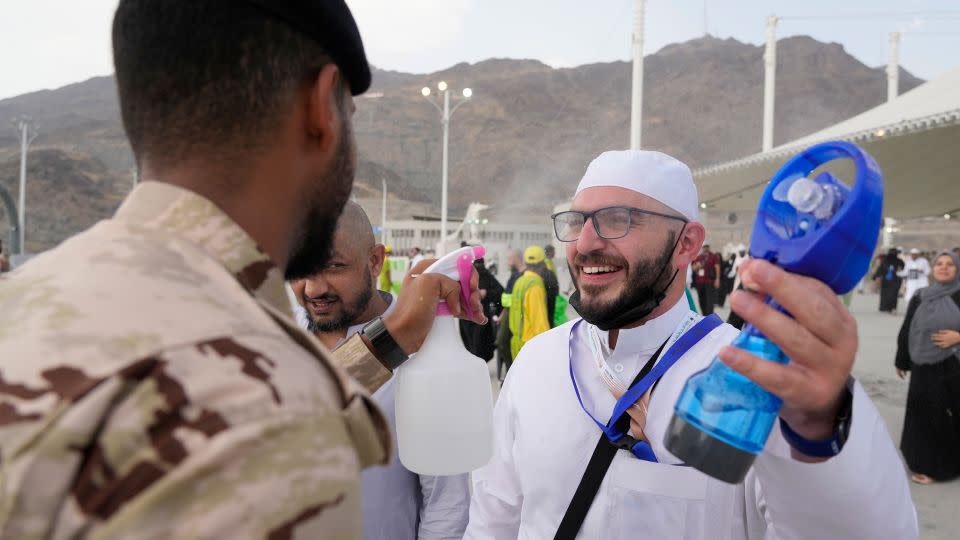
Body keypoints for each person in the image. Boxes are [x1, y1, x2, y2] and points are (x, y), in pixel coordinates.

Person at [0, 2, 486, 537]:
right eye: (352, 116)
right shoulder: (267, 397)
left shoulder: (23, 304)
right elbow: (260, 402)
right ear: (322, 109)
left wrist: (389, 340)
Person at [465, 150, 916, 539]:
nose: (585, 244)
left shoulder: (752, 377)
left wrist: (819, 427)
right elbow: (493, 514)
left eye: (617, 220)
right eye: (577, 221)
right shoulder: (538, 361)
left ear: (687, 244)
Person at [290, 202, 470, 539]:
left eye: (334, 266)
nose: (314, 289)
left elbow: (446, 504)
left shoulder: (427, 357)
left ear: (375, 261)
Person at [895, 251, 960, 485]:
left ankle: (941, 468)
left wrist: (958, 337)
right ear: (932, 268)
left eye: (950, 264)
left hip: (953, 365)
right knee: (923, 413)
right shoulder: (921, 296)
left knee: (947, 415)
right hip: (923, 366)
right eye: (939, 264)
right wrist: (901, 360)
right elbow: (908, 327)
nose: (944, 268)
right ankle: (922, 461)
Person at [460, 254, 505, 362]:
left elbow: (500, 292)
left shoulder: (487, 276)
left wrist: (486, 293)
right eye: (476, 265)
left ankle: (478, 366)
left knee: (479, 344)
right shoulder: (464, 277)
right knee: (470, 344)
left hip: (481, 316)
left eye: (480, 265)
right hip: (467, 317)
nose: (478, 267)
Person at [509, 246, 551, 358]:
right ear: (542, 264)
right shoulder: (535, 285)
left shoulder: (520, 281)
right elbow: (539, 322)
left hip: (517, 342)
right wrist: (548, 346)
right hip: (531, 347)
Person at [496, 249, 524, 379]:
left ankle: (512, 370)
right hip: (508, 312)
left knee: (502, 341)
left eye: (509, 259)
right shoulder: (514, 274)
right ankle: (510, 369)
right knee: (502, 342)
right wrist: (502, 315)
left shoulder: (523, 275)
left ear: (516, 258)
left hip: (515, 313)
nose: (508, 262)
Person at [692, 242, 721, 315]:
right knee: (701, 299)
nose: (706, 248)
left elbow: (717, 267)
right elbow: (694, 269)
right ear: (702, 248)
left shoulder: (713, 256)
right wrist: (697, 267)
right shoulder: (699, 257)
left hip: (709, 281)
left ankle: (710, 315)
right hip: (700, 282)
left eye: (707, 246)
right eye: (704, 247)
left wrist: (717, 279)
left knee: (709, 300)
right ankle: (704, 315)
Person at [874, 248, 905, 313]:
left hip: (895, 280)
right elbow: (881, 269)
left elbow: (903, 268)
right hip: (886, 281)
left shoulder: (899, 261)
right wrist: (876, 276)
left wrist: (900, 269)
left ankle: (893, 308)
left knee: (894, 294)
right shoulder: (885, 261)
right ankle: (886, 307)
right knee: (886, 295)